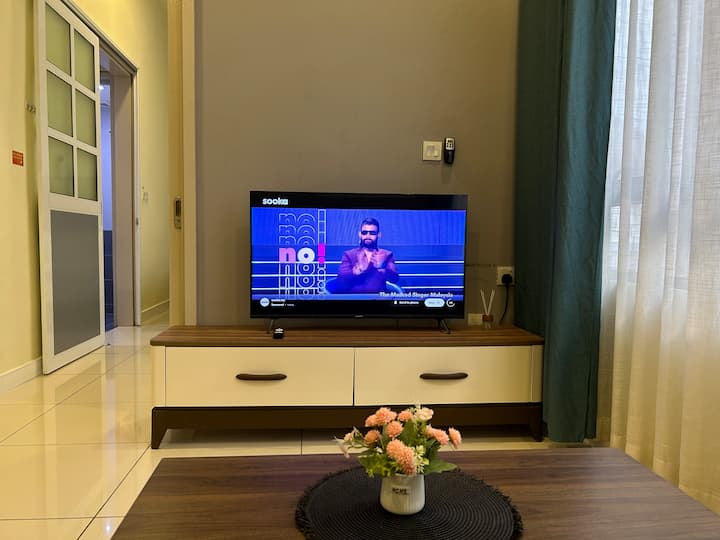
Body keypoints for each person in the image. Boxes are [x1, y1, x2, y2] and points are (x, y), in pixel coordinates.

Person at [335, 218, 400, 293]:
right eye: (364, 233)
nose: (368, 236)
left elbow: (394, 279)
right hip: (354, 297)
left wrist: (382, 268)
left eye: (372, 233)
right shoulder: (349, 255)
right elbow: (340, 281)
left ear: (379, 235)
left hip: (378, 297)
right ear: (360, 234)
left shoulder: (386, 255)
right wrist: (356, 271)